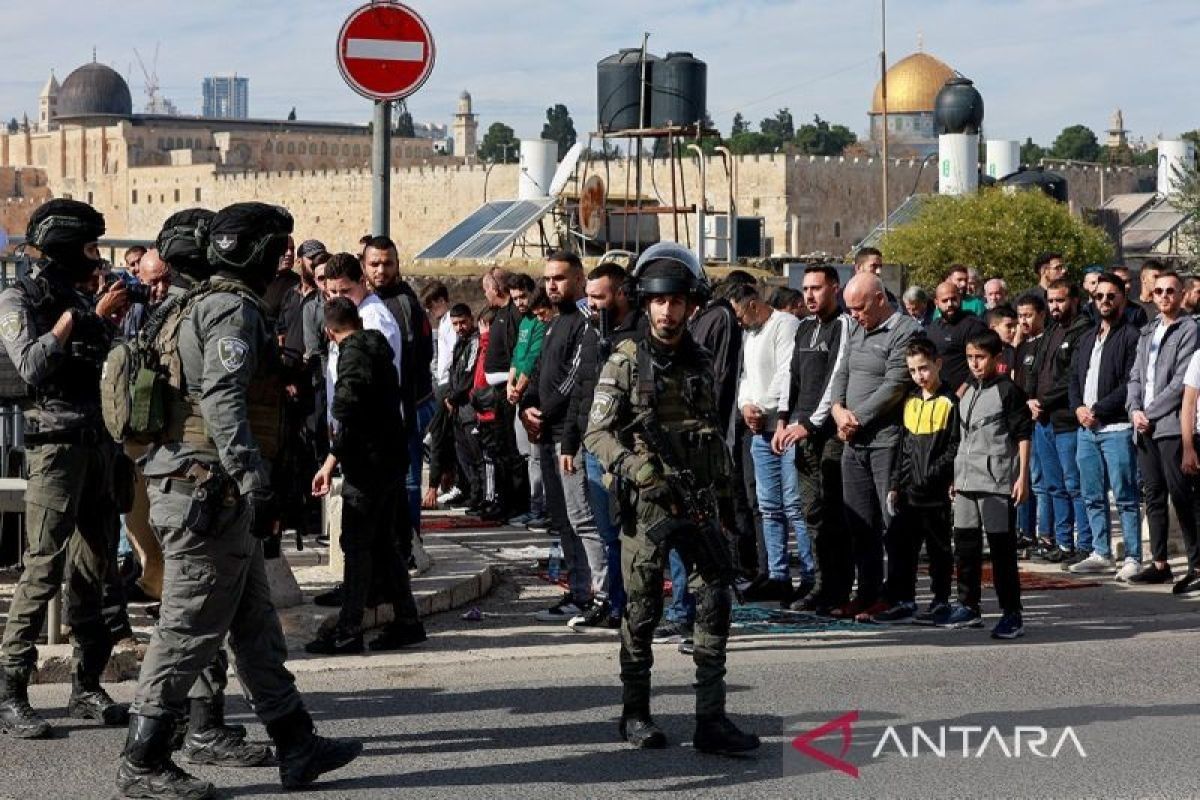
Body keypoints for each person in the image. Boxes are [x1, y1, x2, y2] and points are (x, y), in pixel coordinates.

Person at [118, 203, 360, 798]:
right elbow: (223, 402)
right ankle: (141, 762)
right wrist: (256, 480)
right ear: (249, 251)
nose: (284, 256)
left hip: (207, 489)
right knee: (189, 627)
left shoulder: (196, 303)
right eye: (276, 246)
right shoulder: (230, 307)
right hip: (209, 489)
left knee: (254, 627)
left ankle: (296, 743)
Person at [584, 242, 760, 756]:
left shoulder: (701, 360)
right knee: (641, 611)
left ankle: (711, 720)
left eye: (676, 302)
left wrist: (726, 505)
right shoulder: (627, 360)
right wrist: (639, 469)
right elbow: (598, 435)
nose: (667, 311)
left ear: (690, 305)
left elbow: (712, 431)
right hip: (651, 507)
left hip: (699, 502)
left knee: (714, 602)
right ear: (645, 304)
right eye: (659, 302)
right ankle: (635, 713)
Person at [0, 199, 130, 739]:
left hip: (98, 444)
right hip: (54, 448)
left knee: (94, 568)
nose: (95, 257)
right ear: (60, 247)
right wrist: (82, 320)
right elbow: (30, 365)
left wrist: (104, 321)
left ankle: (86, 684)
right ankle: (10, 690)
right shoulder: (19, 296)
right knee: (43, 569)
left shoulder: (79, 294)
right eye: (87, 248)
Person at [309, 298, 424, 652]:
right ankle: (407, 621)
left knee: (357, 546)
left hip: (369, 464)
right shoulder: (377, 347)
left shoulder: (353, 353)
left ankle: (349, 629)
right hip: (389, 459)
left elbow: (348, 408)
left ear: (330, 332)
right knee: (384, 546)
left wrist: (330, 460)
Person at [521, 251, 607, 623]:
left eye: (559, 278)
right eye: (547, 279)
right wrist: (527, 405)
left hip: (568, 435)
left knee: (582, 518)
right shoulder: (554, 322)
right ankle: (576, 591)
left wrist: (546, 415)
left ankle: (599, 594)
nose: (551, 285)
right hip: (544, 433)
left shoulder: (586, 323)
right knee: (562, 519)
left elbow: (575, 381)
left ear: (578, 279)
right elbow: (540, 370)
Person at [829, 273, 921, 619]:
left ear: (880, 299)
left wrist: (857, 419)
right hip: (853, 442)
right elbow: (842, 371)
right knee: (860, 523)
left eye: (860, 308)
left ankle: (898, 595)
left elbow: (895, 383)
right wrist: (838, 410)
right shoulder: (854, 328)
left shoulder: (905, 330)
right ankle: (866, 592)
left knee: (893, 522)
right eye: (850, 309)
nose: (854, 315)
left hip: (887, 441)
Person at [774, 265, 852, 614]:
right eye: (805, 289)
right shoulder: (804, 328)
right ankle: (820, 585)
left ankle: (839, 589)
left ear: (834, 288)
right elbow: (791, 377)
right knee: (811, 513)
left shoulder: (843, 325)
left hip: (829, 433)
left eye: (816, 288)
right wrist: (781, 421)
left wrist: (810, 423)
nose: (809, 295)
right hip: (799, 433)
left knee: (834, 512)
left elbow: (837, 378)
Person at [729, 283, 812, 603]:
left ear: (752, 305)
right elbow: (747, 377)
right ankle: (777, 574)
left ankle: (807, 573)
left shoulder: (785, 325)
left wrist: (770, 410)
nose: (738, 322)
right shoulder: (750, 334)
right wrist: (746, 405)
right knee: (768, 506)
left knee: (794, 504)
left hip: (784, 424)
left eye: (739, 314)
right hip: (760, 429)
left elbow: (786, 373)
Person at [948, 330, 1032, 639]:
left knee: (1001, 550)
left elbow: (1023, 434)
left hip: (996, 480)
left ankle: (1012, 613)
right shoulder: (967, 389)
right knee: (966, 547)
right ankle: (969, 606)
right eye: (970, 358)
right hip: (966, 479)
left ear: (996, 358)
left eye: (980, 357)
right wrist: (954, 477)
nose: (974, 364)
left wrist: (1022, 476)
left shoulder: (1008, 390)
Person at [876, 338, 959, 624]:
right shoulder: (911, 400)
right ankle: (904, 599)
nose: (919, 375)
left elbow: (953, 447)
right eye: (913, 370)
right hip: (910, 490)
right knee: (900, 545)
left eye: (923, 368)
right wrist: (897, 484)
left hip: (935, 491)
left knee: (939, 548)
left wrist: (933, 475)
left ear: (937, 364)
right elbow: (904, 446)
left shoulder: (950, 401)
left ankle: (940, 599)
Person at [1067, 272, 1143, 584]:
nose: (1105, 301)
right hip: (1086, 429)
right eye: (1099, 296)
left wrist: (1098, 409)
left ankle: (1133, 557)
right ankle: (1101, 552)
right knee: (1091, 494)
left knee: (1124, 495)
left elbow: (1130, 382)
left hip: (1116, 428)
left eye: (1111, 296)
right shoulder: (1087, 337)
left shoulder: (1131, 336)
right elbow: (1074, 379)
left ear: (1123, 298)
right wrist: (1079, 409)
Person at [1125, 271, 1199, 588]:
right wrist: (1134, 411)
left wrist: (1149, 413)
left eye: (1171, 291)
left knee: (1181, 495)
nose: (1165, 296)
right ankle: (1159, 563)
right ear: (1151, 295)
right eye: (1159, 291)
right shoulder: (1147, 331)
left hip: (1169, 425)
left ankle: (1197, 564)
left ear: (1181, 293)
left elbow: (1180, 382)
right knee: (1153, 495)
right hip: (1143, 427)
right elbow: (1136, 377)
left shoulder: (1190, 328)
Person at [363, 236, 437, 535]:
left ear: (397, 265)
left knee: (408, 481)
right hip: (380, 410)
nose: (381, 270)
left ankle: (409, 545)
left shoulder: (405, 305)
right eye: (375, 264)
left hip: (407, 407)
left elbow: (415, 359)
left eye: (387, 263)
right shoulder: (363, 301)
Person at [1028, 280, 1092, 565]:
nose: (1055, 306)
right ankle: (1063, 543)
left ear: (1074, 300)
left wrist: (1046, 400)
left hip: (1066, 419)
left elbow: (1073, 377)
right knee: (1053, 485)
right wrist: (1030, 398)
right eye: (1051, 301)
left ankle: (1085, 544)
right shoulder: (1051, 331)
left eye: (1060, 300)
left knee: (1074, 484)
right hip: (1042, 420)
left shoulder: (1083, 330)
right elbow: (1035, 368)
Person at [506, 277, 549, 527]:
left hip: (532, 394)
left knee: (539, 457)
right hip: (520, 395)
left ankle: (542, 510)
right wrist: (511, 385)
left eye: (522, 297)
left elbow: (533, 359)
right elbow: (517, 355)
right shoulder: (524, 321)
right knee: (529, 458)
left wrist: (519, 388)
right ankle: (535, 508)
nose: (519, 303)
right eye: (515, 299)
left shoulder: (540, 322)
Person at [927, 280, 988, 395]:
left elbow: (981, 363)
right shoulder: (933, 328)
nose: (949, 304)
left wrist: (963, 390)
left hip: (967, 394)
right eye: (945, 301)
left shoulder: (973, 325)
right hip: (938, 394)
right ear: (937, 302)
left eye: (953, 299)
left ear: (960, 298)